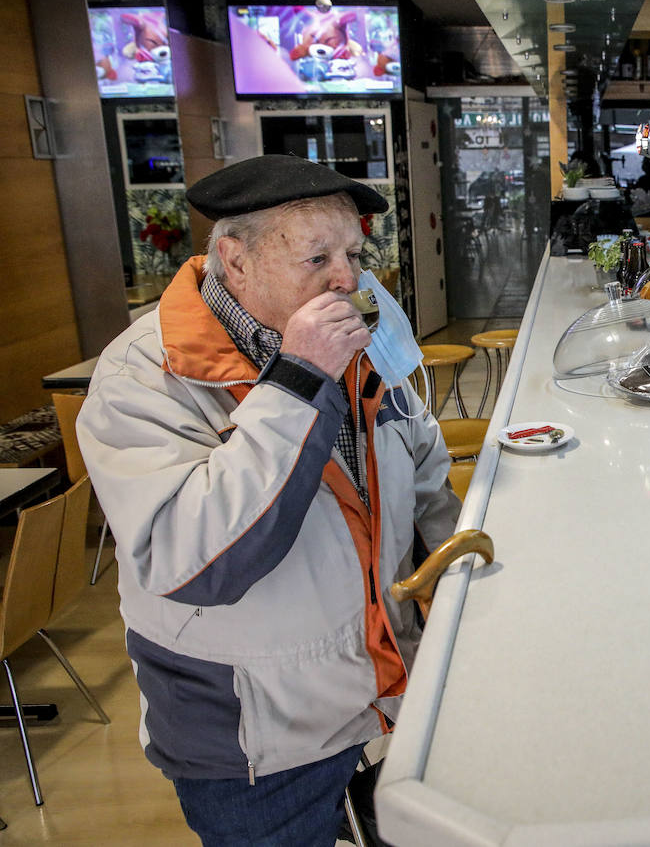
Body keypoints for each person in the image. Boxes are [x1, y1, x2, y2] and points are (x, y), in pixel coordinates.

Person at [76, 155, 461, 845]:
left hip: (390, 698)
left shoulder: (357, 335)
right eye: (318, 256)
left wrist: (464, 585)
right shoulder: (142, 377)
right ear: (236, 259)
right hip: (256, 745)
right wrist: (297, 379)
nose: (348, 277)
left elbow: (424, 466)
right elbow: (199, 564)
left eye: (352, 251)